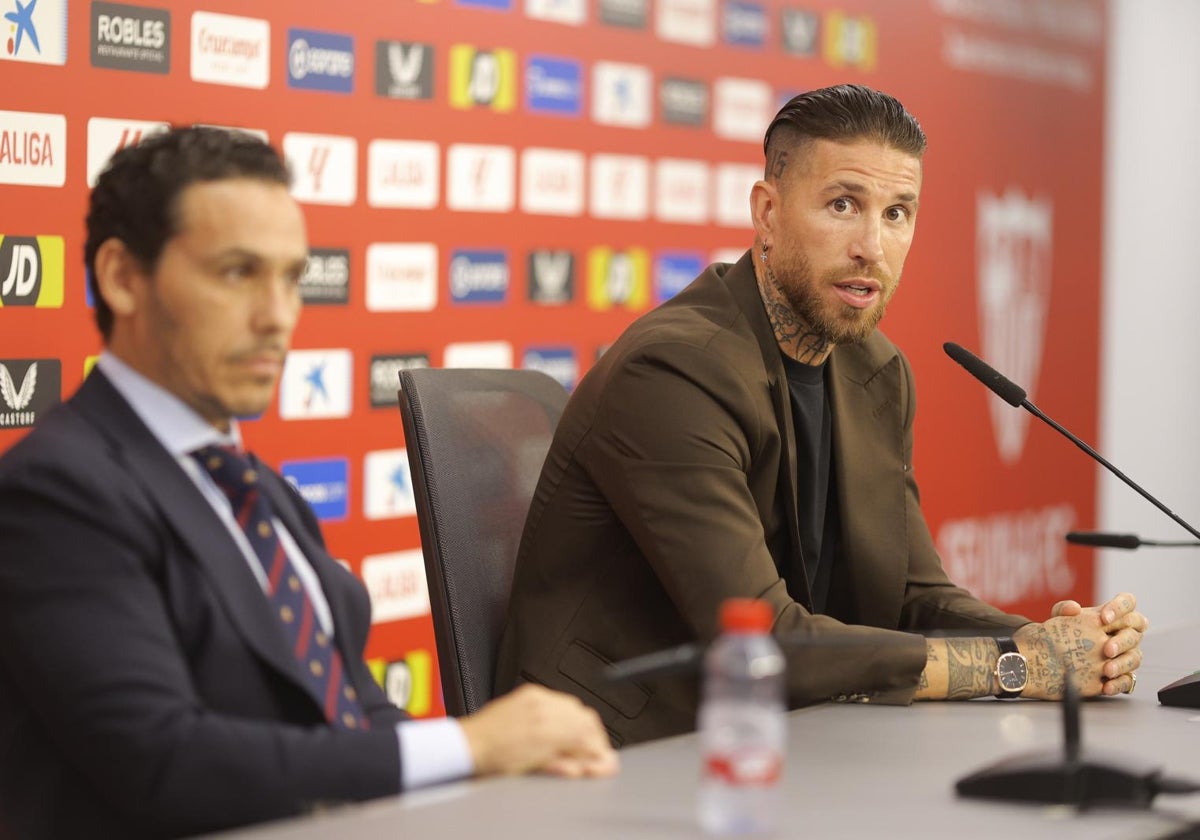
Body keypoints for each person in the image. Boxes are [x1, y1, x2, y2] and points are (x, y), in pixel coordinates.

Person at [0, 127, 616, 840]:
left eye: (292, 277)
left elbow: (349, 713)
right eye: (237, 273)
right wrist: (469, 745)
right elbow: (163, 763)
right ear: (120, 278)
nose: (277, 317)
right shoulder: (56, 491)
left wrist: (491, 776)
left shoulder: (258, 490)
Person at [494, 84, 1149, 746]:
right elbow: (763, 641)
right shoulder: (672, 371)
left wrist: (1052, 644)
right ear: (768, 213)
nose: (873, 245)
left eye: (898, 213)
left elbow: (913, 597)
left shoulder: (875, 372)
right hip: (615, 751)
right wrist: (1018, 668)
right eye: (843, 205)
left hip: (779, 740)